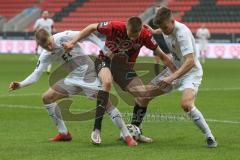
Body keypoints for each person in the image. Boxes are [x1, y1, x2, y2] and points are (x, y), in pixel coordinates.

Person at [9, 29, 137, 146]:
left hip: (89, 74)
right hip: (73, 78)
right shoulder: (45, 55)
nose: (49, 47)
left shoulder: (65, 36)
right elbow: (36, 75)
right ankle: (64, 133)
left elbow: (89, 34)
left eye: (49, 43)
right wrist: (20, 84)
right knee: (47, 98)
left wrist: (104, 48)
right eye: (45, 47)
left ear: (50, 36)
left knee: (106, 104)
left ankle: (127, 135)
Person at [63, 16, 177, 145]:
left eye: (136, 35)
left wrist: (176, 72)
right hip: (105, 61)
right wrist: (72, 42)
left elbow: (162, 55)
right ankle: (96, 129)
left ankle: (135, 130)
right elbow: (91, 27)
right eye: (131, 35)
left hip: (124, 68)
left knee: (143, 96)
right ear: (126, 28)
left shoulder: (145, 35)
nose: (133, 38)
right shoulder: (115, 27)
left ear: (141, 30)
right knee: (106, 82)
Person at [133, 7, 217, 148]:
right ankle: (134, 131)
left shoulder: (182, 33)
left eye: (165, 27)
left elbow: (190, 61)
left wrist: (171, 78)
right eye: (161, 27)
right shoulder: (166, 27)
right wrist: (155, 31)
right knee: (143, 96)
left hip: (191, 72)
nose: (164, 30)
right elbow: (163, 28)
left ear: (173, 21)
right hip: (175, 70)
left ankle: (209, 137)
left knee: (186, 104)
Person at [148, 5, 170, 75]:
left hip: (164, 40)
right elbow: (149, 30)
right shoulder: (152, 20)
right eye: (156, 10)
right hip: (156, 41)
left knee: (167, 58)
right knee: (157, 59)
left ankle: (165, 72)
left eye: (158, 10)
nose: (157, 11)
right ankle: (157, 74)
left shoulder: (165, 20)